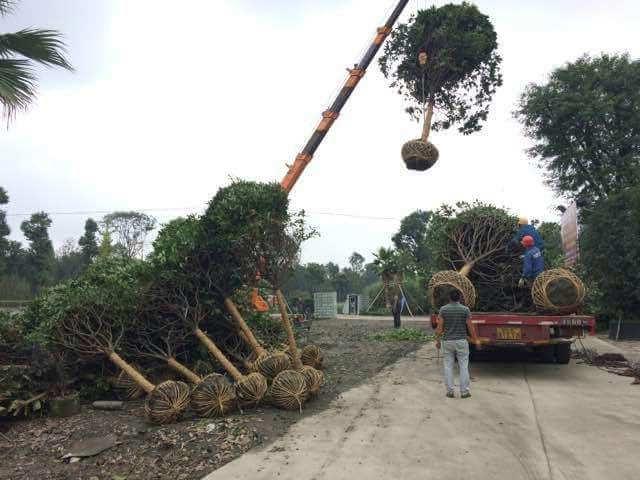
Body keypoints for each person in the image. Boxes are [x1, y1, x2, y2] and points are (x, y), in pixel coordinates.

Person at [435, 289, 480, 398]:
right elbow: (470, 327)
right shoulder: (465, 310)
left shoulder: (443, 310)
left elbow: (439, 328)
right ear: (459, 298)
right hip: (461, 341)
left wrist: (438, 341)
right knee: (463, 366)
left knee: (448, 366)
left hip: (447, 342)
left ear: (449, 298)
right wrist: (476, 340)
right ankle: (464, 392)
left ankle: (450, 391)